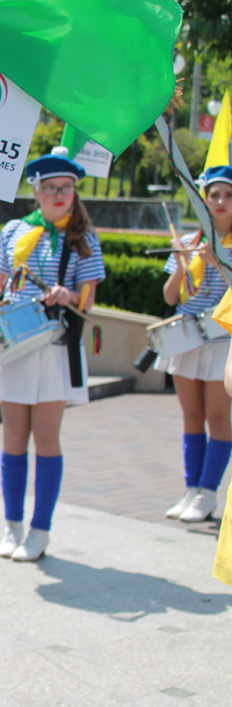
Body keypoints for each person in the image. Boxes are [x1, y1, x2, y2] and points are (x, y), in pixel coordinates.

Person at [0, 147, 105, 561]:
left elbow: (89, 301)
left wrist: (70, 293)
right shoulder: (14, 231)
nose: (60, 195)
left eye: (68, 188)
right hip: (14, 347)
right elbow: (0, 294)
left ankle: (40, 531)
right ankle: (12, 526)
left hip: (54, 349)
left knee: (47, 439)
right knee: (13, 439)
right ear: (36, 191)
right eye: (52, 188)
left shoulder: (83, 238)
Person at [157, 165, 232, 522]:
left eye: (229, 195)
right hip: (185, 338)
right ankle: (190, 490)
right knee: (191, 416)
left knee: (218, 416)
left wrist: (217, 263)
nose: (220, 202)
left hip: (221, 340)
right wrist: (181, 263)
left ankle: (208, 492)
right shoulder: (188, 241)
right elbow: (171, 296)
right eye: (214, 195)